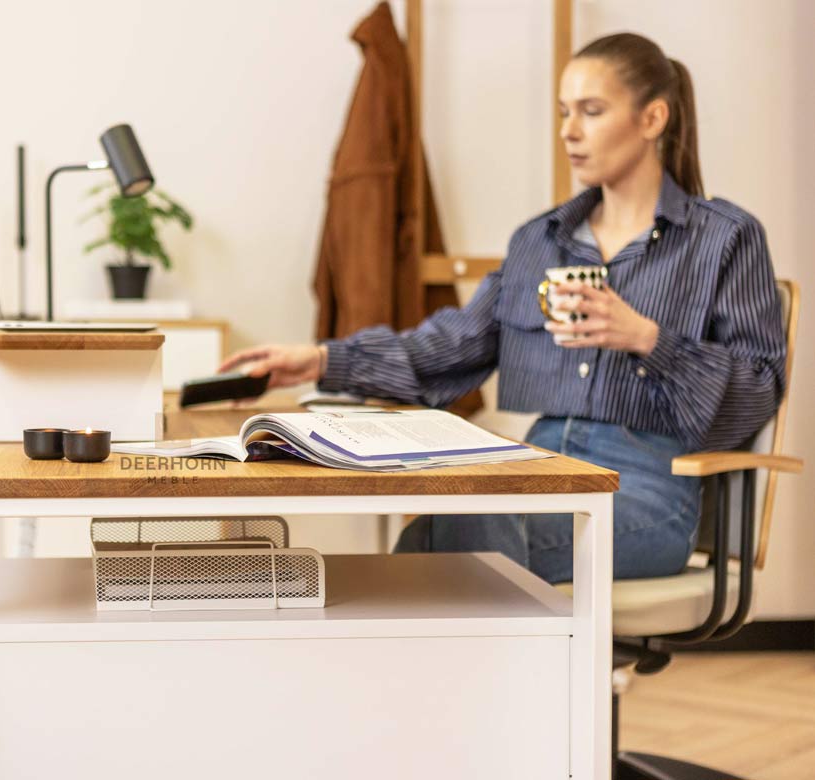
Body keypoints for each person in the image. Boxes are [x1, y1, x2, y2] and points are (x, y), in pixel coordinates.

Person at [220, 32, 786, 584]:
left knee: (464, 534)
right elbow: (450, 345)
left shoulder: (724, 238)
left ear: (652, 119)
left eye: (590, 111)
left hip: (646, 489)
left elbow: (758, 390)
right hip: (537, 467)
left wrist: (647, 339)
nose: (569, 131)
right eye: (564, 111)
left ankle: (512, 681)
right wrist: (320, 360)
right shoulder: (538, 240)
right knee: (431, 537)